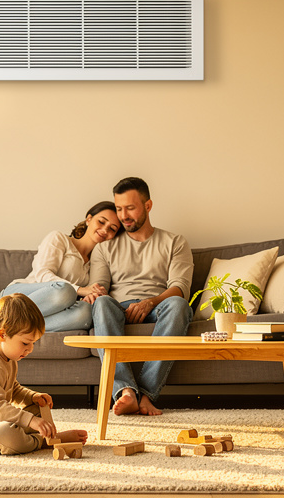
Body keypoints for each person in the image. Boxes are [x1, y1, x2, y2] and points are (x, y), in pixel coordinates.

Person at [88, 177, 193, 417]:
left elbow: (180, 286)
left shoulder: (175, 242)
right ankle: (125, 391)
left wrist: (150, 302)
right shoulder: (104, 247)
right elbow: (100, 286)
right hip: (119, 308)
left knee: (179, 305)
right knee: (102, 303)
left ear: (148, 206)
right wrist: (94, 293)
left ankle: (146, 394)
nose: (123, 215)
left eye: (130, 208)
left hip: (159, 306)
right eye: (119, 208)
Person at [0, 293, 89, 455]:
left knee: (39, 407)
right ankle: (43, 441)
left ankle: (38, 435)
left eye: (33, 343)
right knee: (6, 435)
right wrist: (31, 421)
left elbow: (12, 389)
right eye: (26, 343)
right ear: (2, 335)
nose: (30, 349)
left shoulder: (7, 356)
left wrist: (32, 396)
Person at [0, 202, 122, 332]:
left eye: (112, 229)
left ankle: (13, 326)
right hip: (19, 296)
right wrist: (80, 289)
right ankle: (5, 313)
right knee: (65, 291)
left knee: (85, 313)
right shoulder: (59, 238)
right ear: (88, 219)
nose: (105, 230)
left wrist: (89, 295)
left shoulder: (97, 263)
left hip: (52, 309)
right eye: (101, 222)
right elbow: (42, 273)